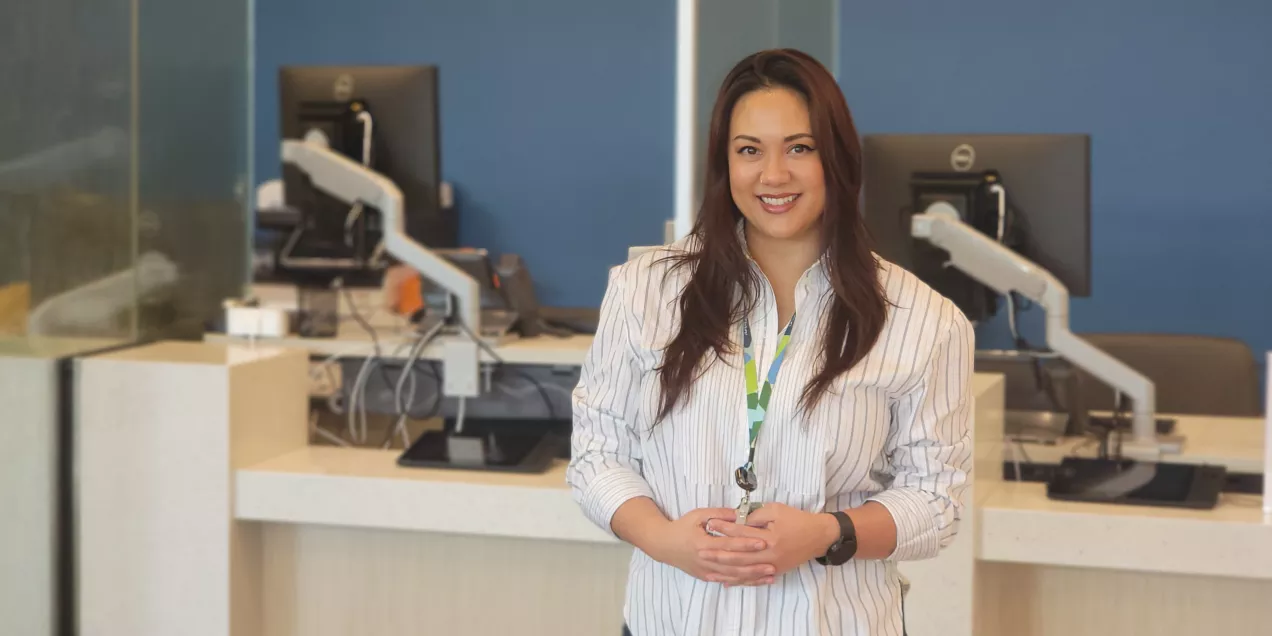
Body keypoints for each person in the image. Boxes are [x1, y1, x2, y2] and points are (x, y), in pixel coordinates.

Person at [567, 49, 974, 636]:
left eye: (799, 148)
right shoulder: (643, 290)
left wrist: (829, 533)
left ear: (837, 159)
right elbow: (597, 456)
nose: (773, 175)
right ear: (724, 163)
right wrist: (664, 540)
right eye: (749, 150)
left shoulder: (924, 320)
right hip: (670, 620)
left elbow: (937, 503)